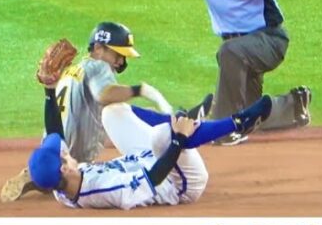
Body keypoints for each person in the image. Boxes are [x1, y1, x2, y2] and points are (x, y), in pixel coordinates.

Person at [87, 0, 311, 146]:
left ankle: (224, 130)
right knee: (248, 112)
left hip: (269, 40)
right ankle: (293, 105)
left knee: (229, 55)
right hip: (238, 50)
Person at [0, 21, 200, 202]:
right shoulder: (99, 66)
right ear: (98, 49)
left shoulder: (72, 70)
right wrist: (141, 90)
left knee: (119, 115)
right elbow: (104, 95)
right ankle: (50, 174)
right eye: (117, 54)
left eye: (123, 56)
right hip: (75, 157)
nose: (121, 61)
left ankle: (41, 174)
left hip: (54, 142)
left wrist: (48, 90)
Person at [22, 89, 274, 210]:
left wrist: (49, 91)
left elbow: (54, 133)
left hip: (145, 157)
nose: (64, 150)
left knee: (112, 112)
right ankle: (239, 122)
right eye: (62, 155)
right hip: (178, 182)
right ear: (64, 169)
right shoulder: (105, 191)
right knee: (163, 136)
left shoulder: (61, 184)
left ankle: (183, 120)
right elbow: (154, 178)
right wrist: (179, 139)